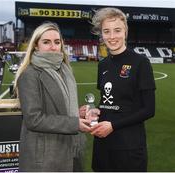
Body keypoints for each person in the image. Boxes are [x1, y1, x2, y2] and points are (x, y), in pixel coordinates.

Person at [14, 22, 91, 172]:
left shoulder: (65, 71)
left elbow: (60, 107)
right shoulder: (29, 75)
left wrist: (77, 112)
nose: (53, 47)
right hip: (45, 158)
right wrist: (74, 123)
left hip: (70, 151)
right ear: (36, 46)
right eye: (46, 42)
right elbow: (33, 119)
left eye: (57, 42)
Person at [90, 7, 156, 172]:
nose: (112, 37)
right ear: (101, 34)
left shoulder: (141, 63)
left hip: (129, 147)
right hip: (103, 145)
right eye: (107, 31)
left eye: (117, 30)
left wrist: (113, 125)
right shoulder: (103, 64)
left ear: (125, 31)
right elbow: (107, 101)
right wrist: (95, 111)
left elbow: (149, 109)